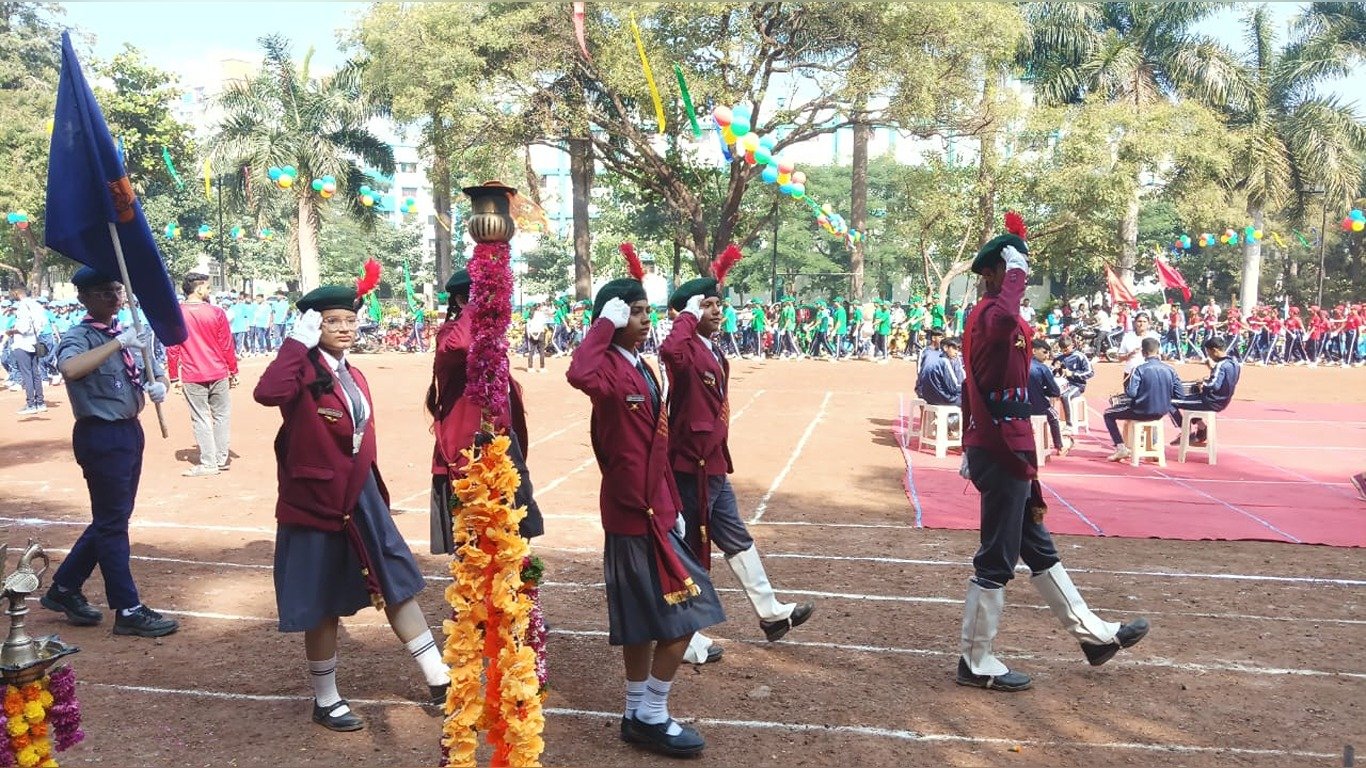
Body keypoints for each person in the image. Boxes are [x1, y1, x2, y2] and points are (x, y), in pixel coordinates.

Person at [955, 215, 1148, 693]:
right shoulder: (991, 315)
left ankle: (1093, 637)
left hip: (1011, 441)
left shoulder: (999, 314)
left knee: (1037, 547)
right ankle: (975, 661)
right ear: (994, 273)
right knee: (997, 556)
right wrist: (1016, 277)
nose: (1019, 277)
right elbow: (1002, 327)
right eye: (1011, 269)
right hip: (1001, 445)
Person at [253, 279, 449, 732]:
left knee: (395, 579)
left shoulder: (354, 374)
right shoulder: (302, 371)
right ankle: (326, 700)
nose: (344, 328)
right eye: (332, 321)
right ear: (313, 325)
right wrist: (295, 344)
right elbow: (267, 393)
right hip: (315, 500)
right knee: (321, 599)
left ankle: (439, 677)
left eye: (349, 320)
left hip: (360, 495)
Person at [566, 267, 725, 758]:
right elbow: (578, 373)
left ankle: (637, 713)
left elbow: (658, 445)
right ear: (614, 319)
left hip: (657, 509)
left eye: (644, 311)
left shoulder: (639, 366)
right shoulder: (606, 369)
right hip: (633, 513)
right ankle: (653, 713)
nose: (643, 320)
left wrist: (674, 503)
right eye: (633, 313)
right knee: (689, 613)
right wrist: (603, 324)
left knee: (641, 622)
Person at [660, 277, 814, 666]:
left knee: (736, 537)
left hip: (711, 462)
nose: (718, 310)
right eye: (707, 305)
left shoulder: (710, 348)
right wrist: (686, 316)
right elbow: (669, 350)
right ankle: (685, 635)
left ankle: (770, 613)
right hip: (690, 465)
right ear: (689, 311)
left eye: (718, 304)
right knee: (690, 549)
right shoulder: (685, 347)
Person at [39, 267, 178, 638]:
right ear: (83, 297)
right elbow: (70, 368)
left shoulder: (127, 333)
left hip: (130, 431)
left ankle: (64, 587)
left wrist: (160, 386)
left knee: (112, 519)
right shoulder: (81, 336)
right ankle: (127, 608)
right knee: (113, 524)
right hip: (100, 434)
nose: (115, 298)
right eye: (104, 292)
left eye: (117, 290)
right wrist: (118, 344)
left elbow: (155, 372)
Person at [427, 269, 543, 554]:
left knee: (512, 537)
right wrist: (475, 307)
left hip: (502, 449)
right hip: (468, 454)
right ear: (461, 301)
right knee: (474, 544)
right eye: (485, 298)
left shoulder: (493, 340)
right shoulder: (449, 335)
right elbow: (462, 345)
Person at [173, 272, 239, 477]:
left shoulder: (177, 313)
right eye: (208, 287)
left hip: (193, 374)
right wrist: (233, 370)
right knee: (221, 416)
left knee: (200, 418)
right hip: (218, 371)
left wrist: (174, 375)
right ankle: (220, 459)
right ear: (199, 288)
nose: (209, 291)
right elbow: (226, 344)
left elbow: (172, 347)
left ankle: (209, 462)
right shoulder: (216, 312)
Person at [1103, 337, 1182, 462]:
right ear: (1158, 351)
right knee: (1152, 417)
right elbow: (1179, 394)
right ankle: (1154, 447)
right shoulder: (1170, 370)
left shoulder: (1139, 369)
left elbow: (1131, 393)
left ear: (1143, 353)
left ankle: (1121, 448)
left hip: (1141, 411)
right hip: (1161, 411)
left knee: (1108, 414)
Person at [1169, 336, 1241, 446]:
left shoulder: (1221, 365)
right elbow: (1224, 380)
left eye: (1209, 353)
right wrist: (1211, 369)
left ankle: (1185, 432)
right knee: (1190, 401)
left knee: (1169, 402)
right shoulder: (1234, 363)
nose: (1209, 356)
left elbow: (1214, 385)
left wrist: (1202, 384)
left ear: (1215, 350)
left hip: (1211, 400)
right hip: (1222, 400)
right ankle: (1202, 428)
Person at [6, 285, 49, 414]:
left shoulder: (22, 306)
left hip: (22, 343)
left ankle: (31, 404)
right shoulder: (36, 305)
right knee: (35, 373)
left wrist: (11, 331)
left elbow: (23, 328)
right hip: (34, 342)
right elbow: (43, 322)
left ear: (17, 293)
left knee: (27, 374)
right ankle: (40, 402)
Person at [1027, 339, 1068, 456]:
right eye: (1044, 352)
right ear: (1034, 351)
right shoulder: (1042, 368)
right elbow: (1055, 391)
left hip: (1018, 406)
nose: (1047, 355)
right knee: (1054, 416)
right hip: (1039, 407)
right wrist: (1043, 390)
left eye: (1048, 353)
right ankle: (1059, 446)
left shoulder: (1018, 365)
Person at [1052, 334, 1093, 428]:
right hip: (1062, 384)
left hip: (1077, 385)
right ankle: (1053, 422)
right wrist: (1055, 370)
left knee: (1066, 396)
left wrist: (1073, 374)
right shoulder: (1059, 358)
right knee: (1047, 394)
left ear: (1072, 345)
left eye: (1066, 349)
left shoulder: (1080, 356)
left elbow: (1090, 372)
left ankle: (1069, 425)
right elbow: (1051, 372)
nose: (1064, 352)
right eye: (1062, 350)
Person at [916, 337, 962, 407]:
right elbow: (954, 387)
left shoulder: (933, 358)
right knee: (968, 399)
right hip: (941, 398)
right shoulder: (945, 361)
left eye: (958, 350)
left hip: (927, 397)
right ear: (945, 348)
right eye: (954, 349)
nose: (957, 352)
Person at [1117, 312, 1159, 378]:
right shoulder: (1128, 337)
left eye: (1144, 322)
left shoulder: (1153, 336)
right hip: (1131, 374)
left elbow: (1159, 356)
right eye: (1139, 321)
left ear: (1148, 323)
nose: (1142, 324)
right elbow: (1120, 358)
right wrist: (1130, 354)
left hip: (1149, 374)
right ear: (1135, 323)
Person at [525, 300, 550, 373]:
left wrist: (532, 335)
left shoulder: (530, 314)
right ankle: (542, 367)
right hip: (540, 333)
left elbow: (528, 326)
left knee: (531, 351)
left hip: (532, 333)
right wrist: (538, 334)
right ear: (538, 308)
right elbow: (542, 326)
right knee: (541, 351)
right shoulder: (541, 314)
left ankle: (530, 367)